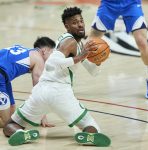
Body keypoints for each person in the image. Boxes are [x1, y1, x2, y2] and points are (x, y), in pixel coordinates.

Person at [3, 7, 111, 147]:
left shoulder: (78, 44)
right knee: (91, 125)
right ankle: (89, 136)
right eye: (74, 22)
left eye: (81, 21)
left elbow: (93, 72)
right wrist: (80, 57)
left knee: (11, 125)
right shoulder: (70, 42)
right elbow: (51, 64)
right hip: (61, 93)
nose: (80, 24)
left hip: (41, 93)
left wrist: (98, 60)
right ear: (67, 26)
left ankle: (19, 134)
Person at [89, 0, 148, 98]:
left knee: (142, 41)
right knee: (90, 42)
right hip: (108, 4)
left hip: (131, 3)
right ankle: (73, 73)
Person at [0, 36, 56, 127]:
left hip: (4, 78)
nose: (51, 58)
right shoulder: (39, 59)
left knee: (12, 111)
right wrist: (43, 116)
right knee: (6, 123)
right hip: (1, 76)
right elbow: (38, 91)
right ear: (45, 50)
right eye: (52, 53)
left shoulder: (25, 50)